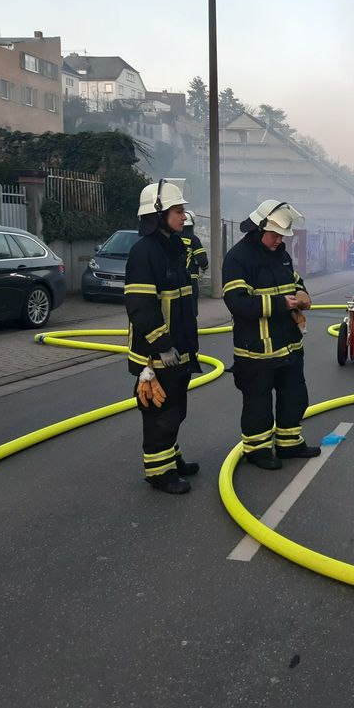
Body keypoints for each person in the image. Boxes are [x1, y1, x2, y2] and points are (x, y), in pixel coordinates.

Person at [222, 199, 321, 470]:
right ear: (259, 229)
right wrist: (281, 304)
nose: (279, 240)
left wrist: (302, 293)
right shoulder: (238, 259)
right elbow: (237, 303)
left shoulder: (281, 255)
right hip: (257, 349)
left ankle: (289, 444)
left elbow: (295, 280)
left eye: (282, 236)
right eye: (275, 235)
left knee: (294, 396)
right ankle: (258, 450)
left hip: (288, 345)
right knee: (258, 403)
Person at [124, 180, 200, 494]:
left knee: (176, 410)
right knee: (160, 415)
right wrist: (162, 346)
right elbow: (141, 307)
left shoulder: (173, 247)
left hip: (177, 349)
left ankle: (170, 458)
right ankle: (158, 473)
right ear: (158, 213)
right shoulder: (143, 253)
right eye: (178, 210)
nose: (184, 216)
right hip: (155, 355)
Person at [180, 211, 208, 315]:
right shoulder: (193, 239)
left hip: (174, 279)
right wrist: (204, 267)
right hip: (191, 279)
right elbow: (202, 260)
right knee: (191, 311)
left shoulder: (172, 237)